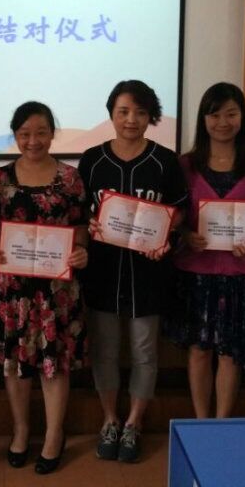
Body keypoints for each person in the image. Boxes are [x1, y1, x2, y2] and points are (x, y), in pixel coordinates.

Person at [77, 80, 187, 463]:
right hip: (103, 271)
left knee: (144, 351)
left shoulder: (164, 160)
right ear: (111, 113)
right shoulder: (92, 160)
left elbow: (180, 210)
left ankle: (134, 423)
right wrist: (90, 222)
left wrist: (165, 232)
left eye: (140, 112)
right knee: (105, 350)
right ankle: (110, 419)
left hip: (148, 272)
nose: (131, 119)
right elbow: (79, 211)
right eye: (123, 111)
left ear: (150, 116)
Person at [0, 102, 89, 475]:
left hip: (56, 291)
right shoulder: (0, 178)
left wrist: (80, 250)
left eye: (41, 132)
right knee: (15, 363)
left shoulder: (71, 178)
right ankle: (21, 430)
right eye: (25, 134)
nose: (33, 141)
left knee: (54, 364)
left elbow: (81, 225)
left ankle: (54, 435)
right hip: (11, 290)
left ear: (52, 134)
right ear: (15, 136)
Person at [170, 83, 245, 418]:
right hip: (196, 273)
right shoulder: (186, 165)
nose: (223, 122)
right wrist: (186, 234)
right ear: (204, 119)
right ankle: (202, 421)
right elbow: (175, 216)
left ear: (242, 117)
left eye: (231, 114)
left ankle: (221, 423)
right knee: (199, 350)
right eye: (214, 115)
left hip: (239, 274)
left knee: (230, 353)